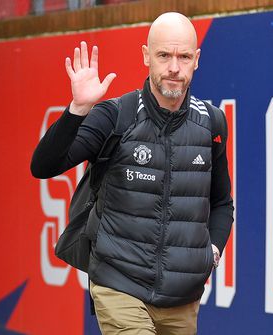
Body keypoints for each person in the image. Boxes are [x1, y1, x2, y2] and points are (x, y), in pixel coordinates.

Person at [31, 12, 234, 335]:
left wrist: (211, 250)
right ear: (146, 57)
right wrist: (78, 110)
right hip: (118, 284)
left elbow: (222, 202)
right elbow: (43, 167)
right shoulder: (115, 116)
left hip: (182, 297)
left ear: (196, 60)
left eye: (183, 57)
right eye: (164, 55)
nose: (174, 68)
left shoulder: (211, 123)